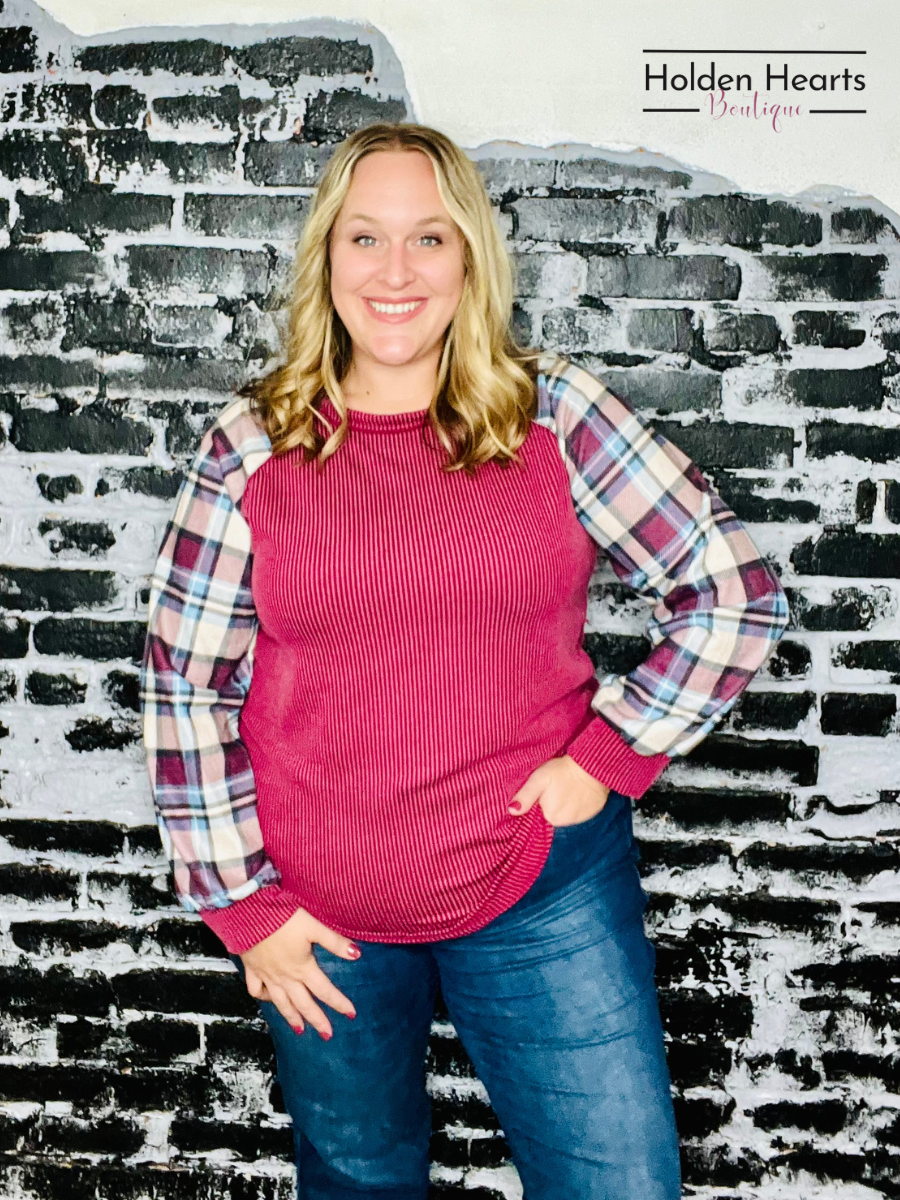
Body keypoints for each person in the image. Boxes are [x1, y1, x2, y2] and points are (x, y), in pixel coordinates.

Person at [140, 121, 789, 1200]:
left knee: (618, 1186)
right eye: (366, 239)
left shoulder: (556, 417)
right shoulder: (251, 446)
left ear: (471, 260)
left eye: (429, 240)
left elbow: (731, 591)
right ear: (327, 259)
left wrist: (608, 756)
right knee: (357, 1182)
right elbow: (183, 685)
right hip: (321, 914)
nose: (396, 272)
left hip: (541, 890)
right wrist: (243, 907)